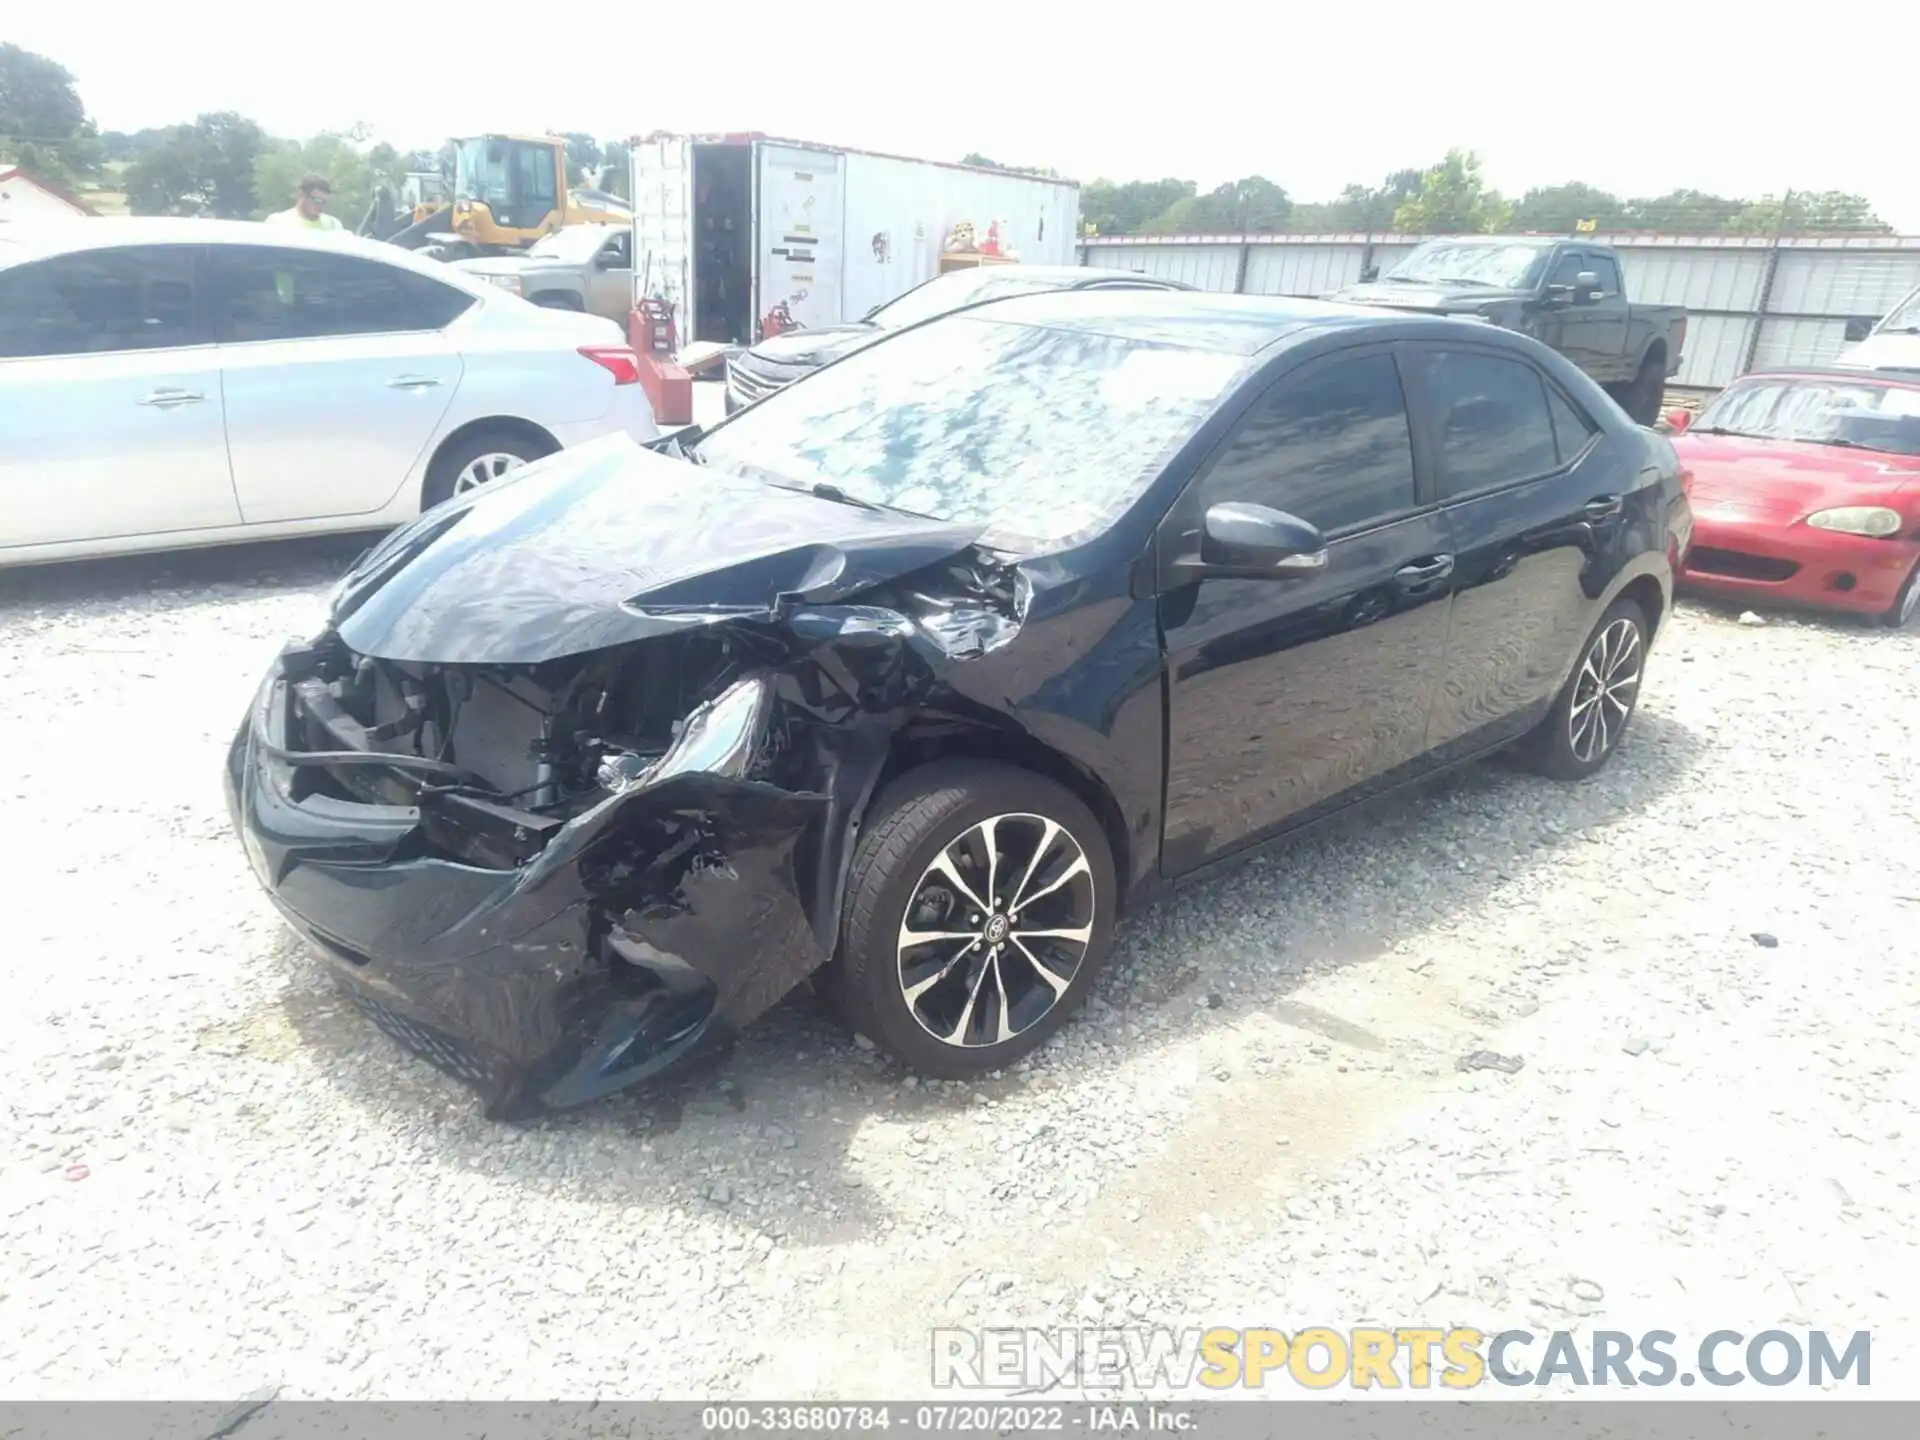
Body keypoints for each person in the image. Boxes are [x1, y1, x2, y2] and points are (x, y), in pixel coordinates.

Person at [265, 174, 342, 231]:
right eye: (317, 201)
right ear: (302, 196)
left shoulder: (333, 226)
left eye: (324, 202)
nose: (321, 207)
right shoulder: (278, 223)